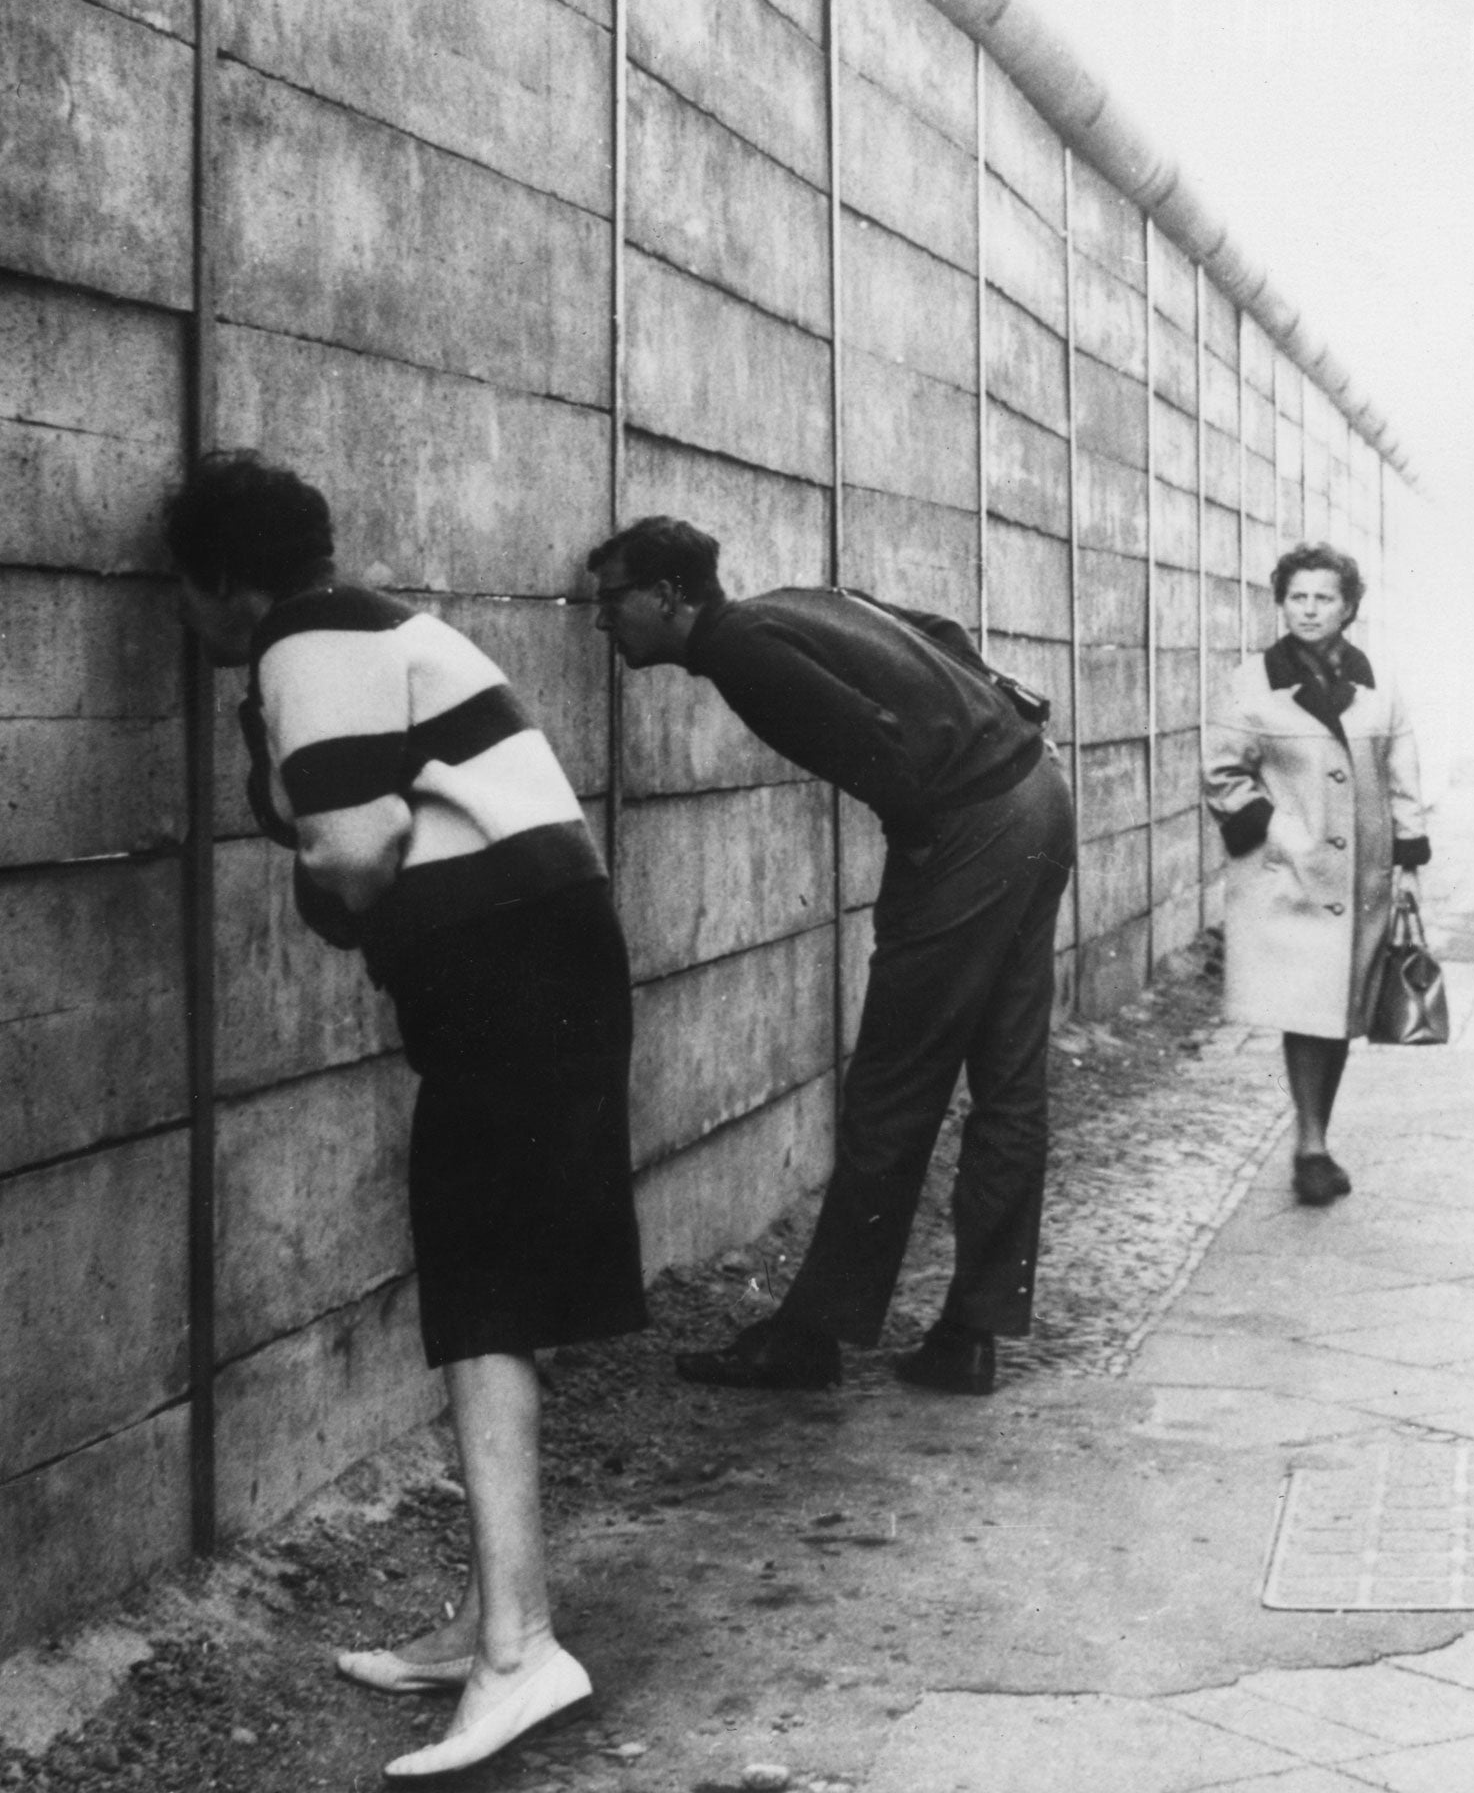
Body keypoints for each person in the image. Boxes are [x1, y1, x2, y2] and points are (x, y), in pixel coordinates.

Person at [165, 453, 646, 1780]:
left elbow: (357, 851)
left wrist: (330, 890)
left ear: (219, 585)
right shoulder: (376, 624)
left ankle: (516, 1652)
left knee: (481, 1295)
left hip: (508, 977)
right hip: (537, 964)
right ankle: (489, 1618)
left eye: (186, 597)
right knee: (482, 1288)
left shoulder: (303, 645)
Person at [588, 516, 1075, 1397]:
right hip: (1035, 788)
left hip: (973, 826)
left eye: (611, 600)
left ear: (666, 596)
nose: (600, 622)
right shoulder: (796, 602)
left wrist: (920, 831)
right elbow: (944, 636)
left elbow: (874, 734)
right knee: (1007, 1077)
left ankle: (810, 1337)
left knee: (894, 1084)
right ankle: (971, 1331)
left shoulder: (739, 650)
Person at [1204, 542, 1431, 1206]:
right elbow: (1222, 773)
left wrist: (1408, 863)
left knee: (1337, 1014)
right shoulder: (1250, 683)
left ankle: (1315, 1137)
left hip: (1360, 880)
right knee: (1305, 1010)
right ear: (1281, 604)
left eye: (1322, 598)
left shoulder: (1379, 686)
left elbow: (1402, 778)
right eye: (1296, 597)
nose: (1308, 609)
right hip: (1286, 878)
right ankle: (1309, 1144)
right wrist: (1278, 836)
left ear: (1347, 607)